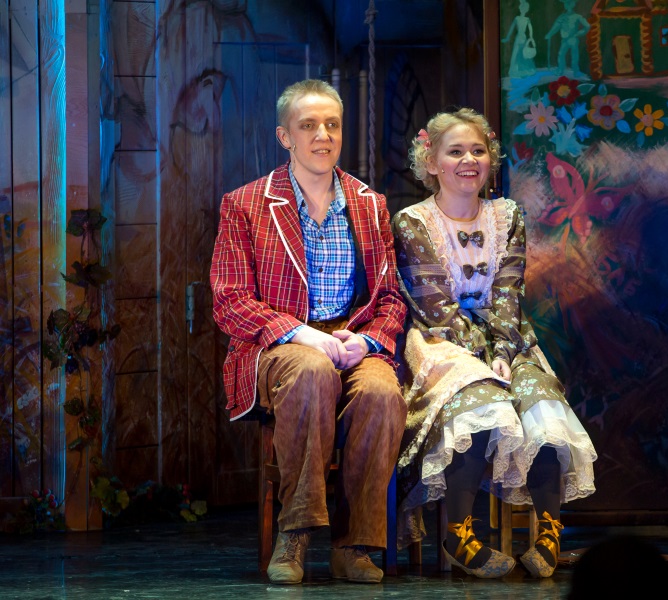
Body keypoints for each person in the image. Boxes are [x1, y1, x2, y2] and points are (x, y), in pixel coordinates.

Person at [210, 79, 407, 585]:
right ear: (285, 136)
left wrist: (366, 341)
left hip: (351, 340)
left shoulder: (369, 204)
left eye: (332, 125)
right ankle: (295, 532)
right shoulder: (246, 204)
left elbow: (389, 298)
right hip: (281, 345)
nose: (323, 135)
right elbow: (230, 301)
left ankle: (354, 544)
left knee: (383, 392)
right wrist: (301, 334)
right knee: (312, 371)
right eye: (309, 125)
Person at [391, 108, 596, 578]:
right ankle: (458, 534)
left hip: (505, 336)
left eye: (478, 151)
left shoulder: (507, 215)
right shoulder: (412, 222)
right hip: (443, 341)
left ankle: (548, 532)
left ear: (491, 159)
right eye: (455, 152)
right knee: (481, 402)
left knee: (541, 402)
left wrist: (502, 353)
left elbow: (508, 293)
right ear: (432, 162)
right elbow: (435, 306)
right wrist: (482, 360)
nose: (468, 160)